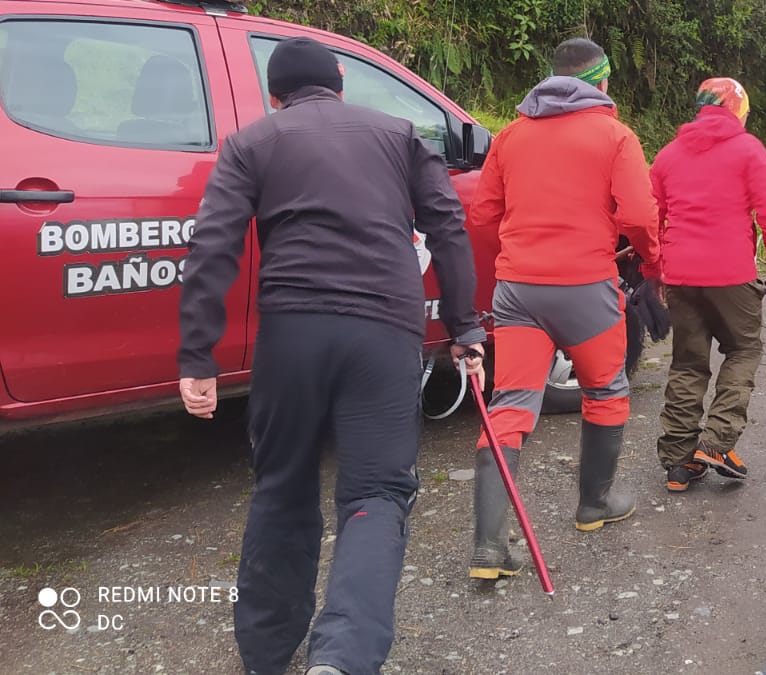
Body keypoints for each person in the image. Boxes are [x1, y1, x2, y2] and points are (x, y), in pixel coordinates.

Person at [178, 37, 486, 675]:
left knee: (282, 484)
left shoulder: (252, 142)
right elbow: (448, 227)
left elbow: (212, 247)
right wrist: (465, 329)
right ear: (341, 87)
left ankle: (266, 654)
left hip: (291, 334)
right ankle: (342, 658)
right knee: (376, 491)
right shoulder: (400, 135)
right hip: (384, 333)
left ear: (274, 96)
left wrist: (198, 357)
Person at [466, 38, 661, 580]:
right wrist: (650, 261)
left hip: (518, 290)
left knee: (509, 404)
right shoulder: (616, 136)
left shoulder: (509, 136)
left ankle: (488, 546)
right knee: (606, 388)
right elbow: (642, 216)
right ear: (600, 81)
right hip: (585, 287)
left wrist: (516, 248)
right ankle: (593, 506)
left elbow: (482, 215)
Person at [650, 77, 766, 492]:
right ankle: (715, 443)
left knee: (688, 363)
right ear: (738, 110)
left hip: (679, 274)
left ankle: (678, 464)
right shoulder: (747, 149)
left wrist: (653, 269)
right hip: (731, 274)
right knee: (744, 349)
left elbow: (649, 218)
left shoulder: (668, 155)